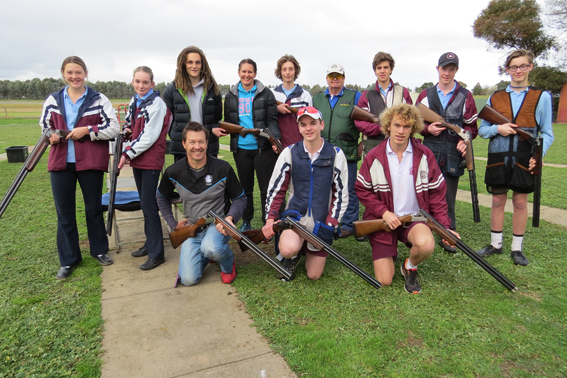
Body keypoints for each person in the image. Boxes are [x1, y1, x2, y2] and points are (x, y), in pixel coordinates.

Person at [355, 104, 457, 294]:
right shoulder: (373, 156)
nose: (401, 131)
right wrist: (384, 213)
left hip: (414, 218)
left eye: (406, 126)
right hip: (384, 221)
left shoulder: (424, 155)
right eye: (396, 125)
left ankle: (409, 266)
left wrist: (445, 227)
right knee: (384, 279)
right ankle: (387, 251)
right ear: (388, 126)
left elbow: (436, 193)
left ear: (414, 128)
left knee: (426, 244)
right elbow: (362, 190)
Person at [40, 56, 119, 279]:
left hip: (90, 162)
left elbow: (113, 127)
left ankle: (100, 250)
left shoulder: (98, 99)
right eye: (70, 72)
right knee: (64, 212)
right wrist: (52, 136)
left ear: (85, 73)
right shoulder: (53, 100)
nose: (74, 76)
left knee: (93, 208)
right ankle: (69, 259)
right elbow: (44, 127)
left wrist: (88, 130)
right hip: (61, 162)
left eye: (78, 72)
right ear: (63, 74)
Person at [476, 49, 554, 266]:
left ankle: (517, 248)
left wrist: (539, 155)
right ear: (507, 69)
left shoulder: (541, 97)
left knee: (520, 201)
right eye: (513, 67)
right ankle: (495, 244)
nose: (518, 70)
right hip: (498, 155)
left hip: (524, 156)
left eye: (522, 66)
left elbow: (546, 133)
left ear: (530, 67)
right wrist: (498, 129)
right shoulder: (495, 96)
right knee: (498, 199)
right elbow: (483, 131)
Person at [262, 106, 349, 280]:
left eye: (313, 123)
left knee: (313, 275)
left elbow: (341, 194)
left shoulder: (336, 154)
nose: (308, 128)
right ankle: (293, 255)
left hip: (320, 222)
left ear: (321, 125)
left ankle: (306, 247)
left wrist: (331, 224)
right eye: (303, 124)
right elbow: (276, 189)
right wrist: (270, 219)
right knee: (287, 249)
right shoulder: (289, 152)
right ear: (299, 128)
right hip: (295, 218)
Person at [156, 122, 246, 286]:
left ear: (207, 143)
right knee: (188, 280)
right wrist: (173, 223)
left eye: (201, 142)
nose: (197, 147)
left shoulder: (223, 168)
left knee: (211, 247)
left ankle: (228, 265)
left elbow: (240, 197)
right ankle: (209, 254)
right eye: (192, 142)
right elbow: (161, 197)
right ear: (184, 144)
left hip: (217, 225)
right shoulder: (173, 172)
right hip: (193, 228)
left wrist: (230, 218)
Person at [416, 52, 478, 252]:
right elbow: (414, 124)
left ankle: (448, 234)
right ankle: (421, 232)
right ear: (438, 69)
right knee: (423, 193)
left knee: (448, 196)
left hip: (452, 153)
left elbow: (472, 128)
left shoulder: (466, 96)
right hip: (429, 151)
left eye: (451, 69)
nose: (447, 73)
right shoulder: (425, 95)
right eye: (444, 68)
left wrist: (464, 139)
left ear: (456, 71)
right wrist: (428, 130)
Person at [118, 66, 172, 270]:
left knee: (149, 206)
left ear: (152, 84)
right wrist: (126, 130)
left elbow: (149, 136)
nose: (141, 85)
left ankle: (157, 254)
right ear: (133, 82)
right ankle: (150, 244)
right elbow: (129, 124)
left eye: (145, 82)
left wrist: (126, 153)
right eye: (137, 81)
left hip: (150, 159)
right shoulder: (135, 101)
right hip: (138, 159)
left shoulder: (157, 104)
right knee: (144, 203)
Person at [223, 58, 280, 232]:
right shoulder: (232, 95)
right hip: (241, 150)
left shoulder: (266, 94)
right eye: (243, 71)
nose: (246, 75)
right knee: (245, 188)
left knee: (266, 188)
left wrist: (275, 140)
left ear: (255, 74)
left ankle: (267, 222)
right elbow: (228, 121)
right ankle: (246, 221)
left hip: (262, 149)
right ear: (239, 73)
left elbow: (272, 121)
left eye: (250, 72)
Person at [312, 64, 361, 238]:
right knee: (325, 187)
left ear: (344, 78)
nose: (335, 79)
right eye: (331, 76)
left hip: (348, 151)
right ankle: (326, 218)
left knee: (349, 188)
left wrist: (362, 144)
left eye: (338, 76)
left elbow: (366, 122)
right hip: (324, 151)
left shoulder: (355, 96)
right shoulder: (317, 98)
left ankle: (349, 223)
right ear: (326, 78)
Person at [163, 46, 223, 161]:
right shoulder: (172, 90)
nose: (194, 66)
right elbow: (168, 121)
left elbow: (217, 118)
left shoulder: (212, 89)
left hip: (208, 147)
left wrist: (212, 130)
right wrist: (178, 136)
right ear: (183, 64)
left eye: (197, 62)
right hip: (182, 149)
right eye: (190, 62)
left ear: (202, 64)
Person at [355, 52, 413, 159]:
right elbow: (360, 122)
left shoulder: (403, 92)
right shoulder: (367, 94)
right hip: (373, 148)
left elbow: (411, 119)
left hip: (399, 148)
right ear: (375, 71)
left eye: (386, 67)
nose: (382, 71)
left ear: (391, 70)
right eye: (379, 68)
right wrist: (380, 128)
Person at [271, 54, 313, 148]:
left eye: (291, 69)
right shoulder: (272, 94)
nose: (287, 73)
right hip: (277, 147)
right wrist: (276, 108)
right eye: (284, 69)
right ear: (280, 72)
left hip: (300, 146)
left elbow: (309, 121)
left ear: (295, 71)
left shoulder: (305, 95)